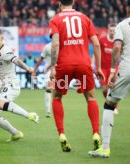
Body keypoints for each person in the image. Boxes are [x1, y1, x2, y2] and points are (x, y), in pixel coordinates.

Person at [48, 0, 105, 152]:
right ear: (73, 2)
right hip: (83, 64)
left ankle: (61, 134)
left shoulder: (55, 19)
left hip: (64, 65)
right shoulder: (85, 18)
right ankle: (96, 133)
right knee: (91, 98)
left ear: (59, 4)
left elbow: (55, 44)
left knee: (57, 97)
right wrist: (98, 67)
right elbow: (97, 44)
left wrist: (53, 66)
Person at [88, 1, 130, 158]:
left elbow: (117, 47)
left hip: (126, 68)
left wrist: (113, 71)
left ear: (127, 9)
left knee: (109, 103)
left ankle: (105, 148)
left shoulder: (122, 25)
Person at [0, 28, 39, 142]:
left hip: (11, 84)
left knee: (0, 103)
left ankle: (30, 115)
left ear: (2, 38)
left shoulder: (6, 51)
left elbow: (17, 60)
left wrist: (27, 69)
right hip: (3, 88)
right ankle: (16, 134)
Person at [99, 23, 119, 115]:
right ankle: (108, 102)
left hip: (114, 68)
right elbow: (97, 51)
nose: (112, 32)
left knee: (113, 88)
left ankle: (114, 106)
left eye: (114, 31)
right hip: (103, 68)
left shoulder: (118, 42)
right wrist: (93, 62)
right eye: (111, 30)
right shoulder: (102, 40)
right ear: (108, 30)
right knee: (104, 90)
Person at [33, 42, 53, 117]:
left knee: (58, 91)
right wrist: (35, 70)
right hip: (48, 71)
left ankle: (56, 108)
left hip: (59, 69)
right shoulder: (47, 47)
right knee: (49, 88)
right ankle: (48, 111)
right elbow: (41, 59)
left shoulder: (62, 45)